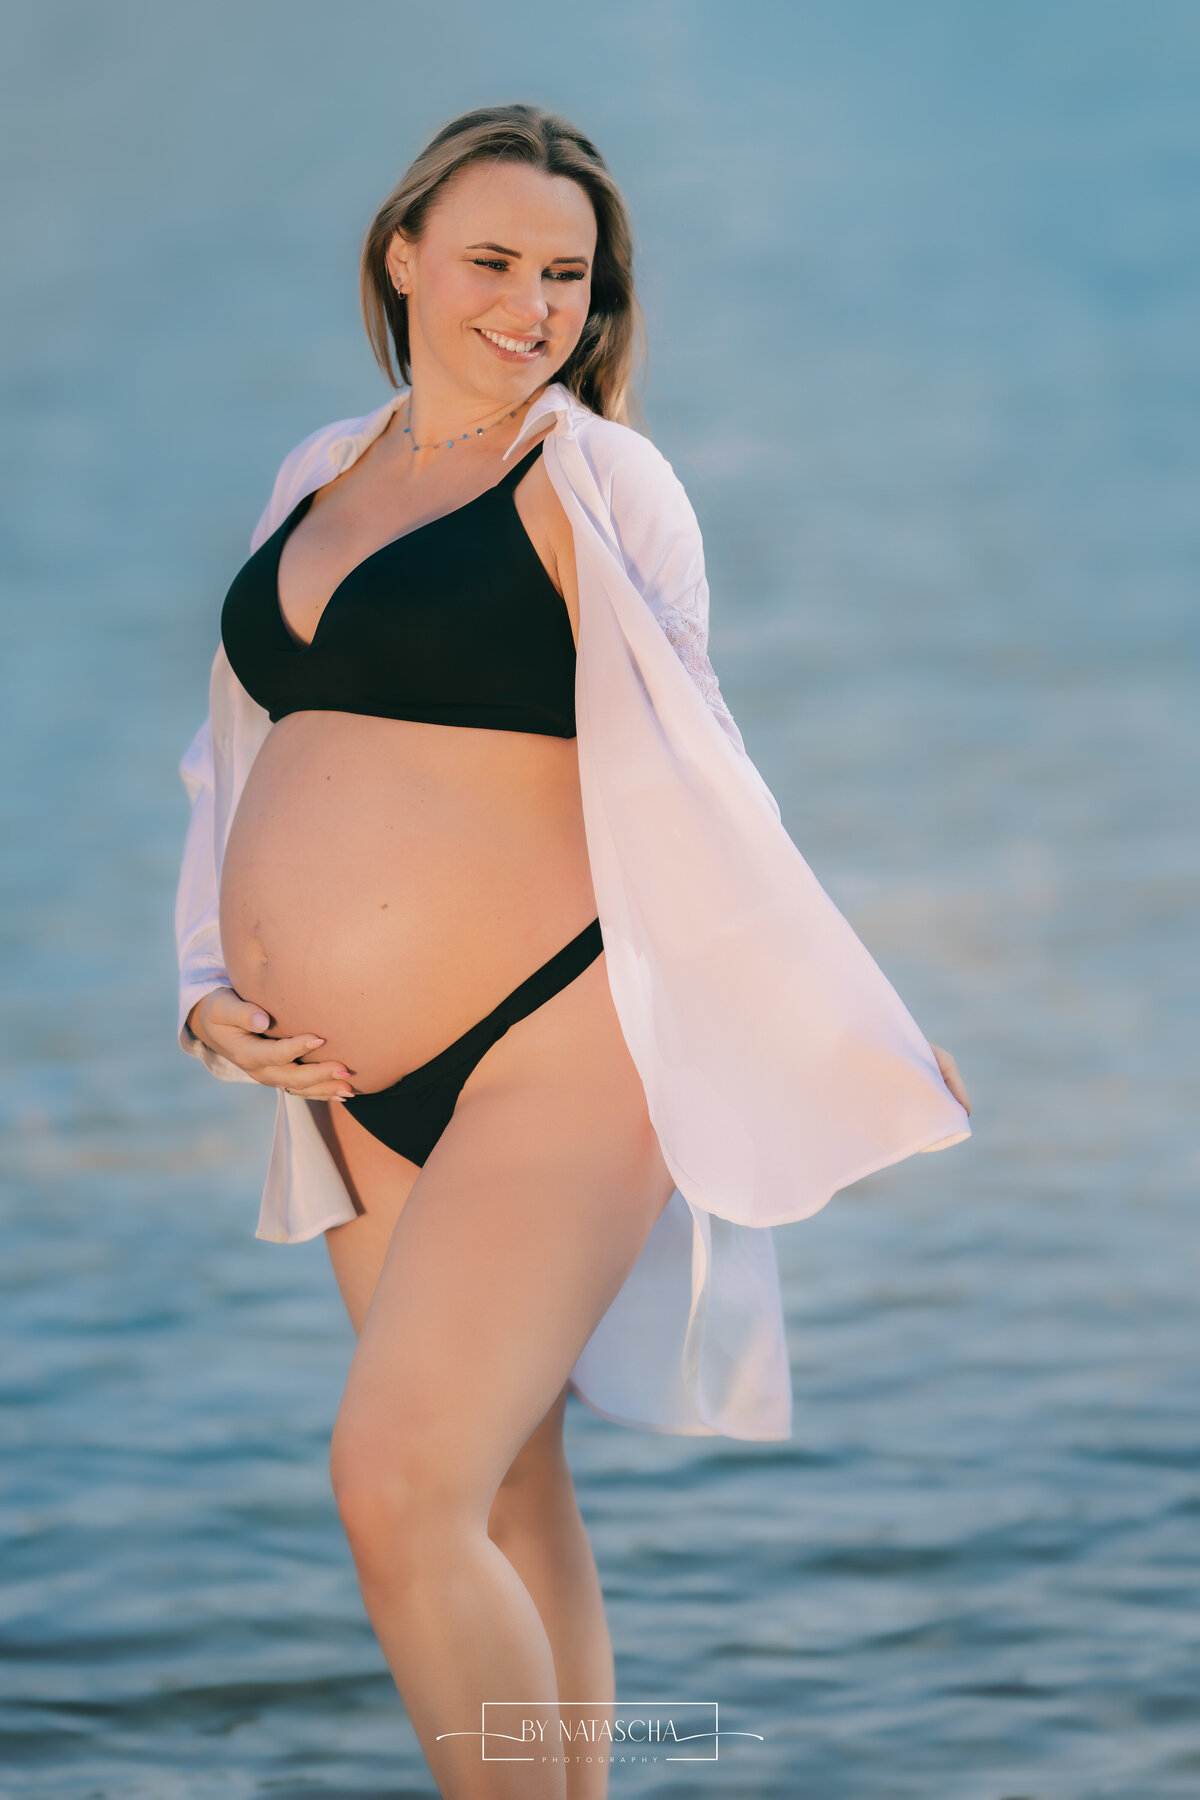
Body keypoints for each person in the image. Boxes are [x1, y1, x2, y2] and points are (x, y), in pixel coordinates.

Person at [175, 103, 972, 1800]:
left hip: (560, 1037)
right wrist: (203, 994)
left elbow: (706, 768)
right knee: (504, 1493)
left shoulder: (599, 475)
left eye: (566, 275)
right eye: (493, 261)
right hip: (346, 1077)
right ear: (403, 256)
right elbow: (229, 754)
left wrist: (846, 1016)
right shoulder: (318, 469)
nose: (532, 306)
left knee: (396, 1488)